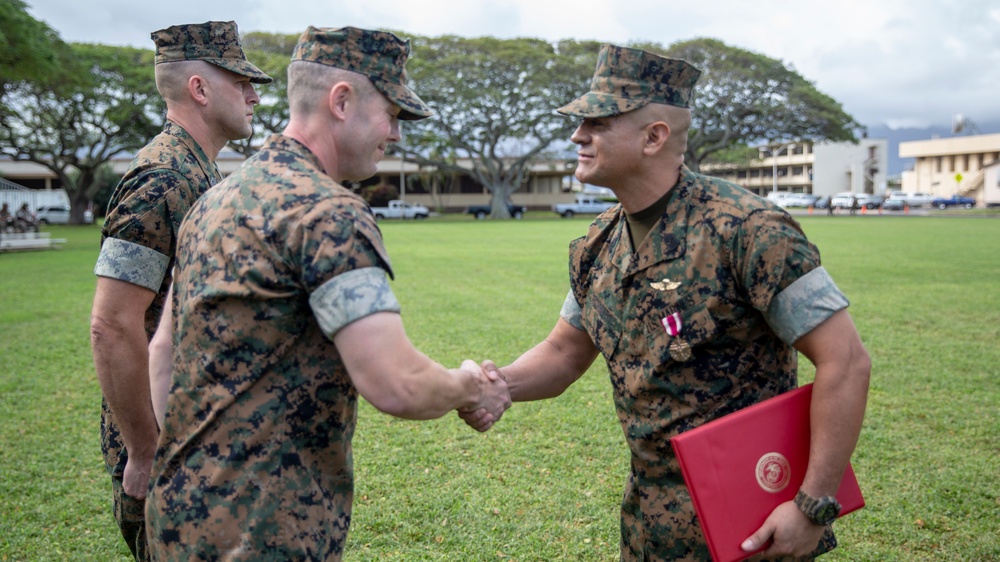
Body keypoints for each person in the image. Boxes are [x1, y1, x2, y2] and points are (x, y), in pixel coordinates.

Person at [462, 44, 870, 561]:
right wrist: (500, 388)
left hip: (752, 520)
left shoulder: (748, 230)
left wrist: (812, 506)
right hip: (650, 524)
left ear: (654, 137)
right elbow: (565, 353)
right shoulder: (597, 244)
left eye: (598, 122)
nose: (577, 135)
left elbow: (847, 361)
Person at [145, 26, 510, 561]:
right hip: (266, 533)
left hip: (178, 517)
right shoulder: (326, 212)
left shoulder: (216, 199)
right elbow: (397, 383)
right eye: (392, 114)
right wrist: (471, 386)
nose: (397, 135)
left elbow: (161, 354)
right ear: (342, 101)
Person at [88, 21, 271, 561]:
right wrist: (144, 452)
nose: (254, 95)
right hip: (166, 440)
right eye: (241, 81)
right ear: (199, 88)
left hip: (195, 429)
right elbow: (112, 323)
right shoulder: (162, 179)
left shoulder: (198, 170)